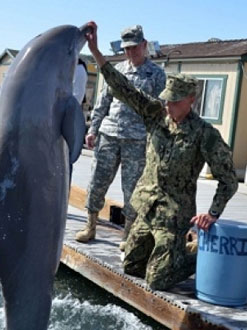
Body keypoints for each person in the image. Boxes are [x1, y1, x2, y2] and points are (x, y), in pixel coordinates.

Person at [85, 22, 238, 290]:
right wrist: (96, 52)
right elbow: (124, 88)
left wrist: (213, 213)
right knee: (131, 265)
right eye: (166, 99)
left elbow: (229, 179)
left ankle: (197, 255)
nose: (168, 105)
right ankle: (168, 254)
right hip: (147, 208)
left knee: (157, 279)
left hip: (174, 216)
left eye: (175, 101)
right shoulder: (156, 115)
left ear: (191, 99)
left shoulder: (205, 134)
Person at [75, 24, 166, 251]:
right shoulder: (116, 70)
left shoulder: (156, 74)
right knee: (97, 181)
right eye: (126, 49)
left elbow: (161, 110)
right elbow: (103, 102)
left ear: (144, 45)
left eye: (135, 48)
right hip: (109, 134)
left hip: (137, 139)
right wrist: (93, 129)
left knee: (132, 189)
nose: (130, 53)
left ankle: (129, 234)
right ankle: (90, 225)